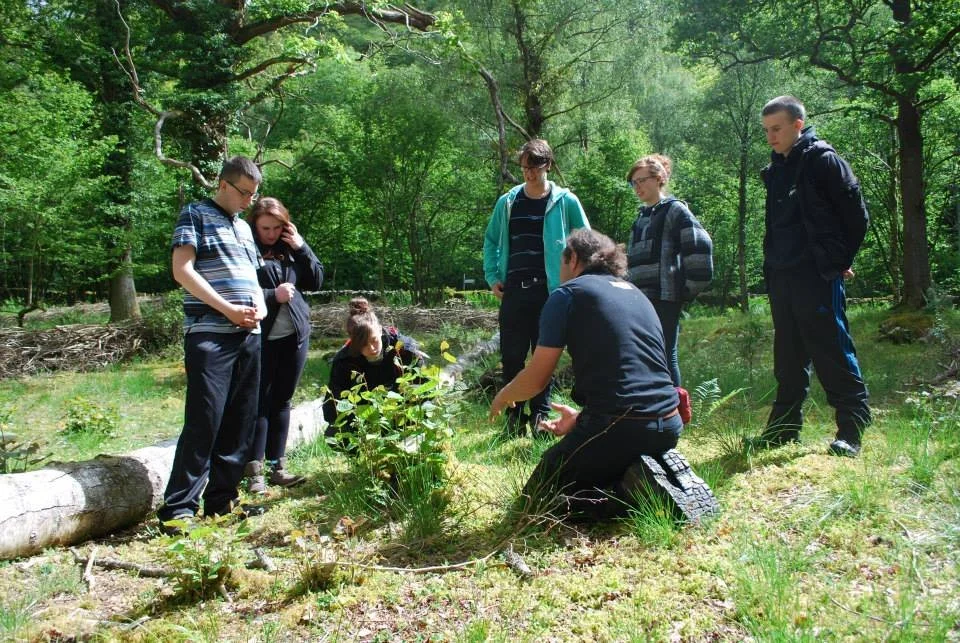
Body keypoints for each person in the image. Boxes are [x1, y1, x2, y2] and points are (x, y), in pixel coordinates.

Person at [490, 228, 681, 518]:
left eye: (561, 261)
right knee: (597, 463)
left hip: (619, 427)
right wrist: (581, 420)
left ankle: (632, 496)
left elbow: (536, 378)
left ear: (574, 258)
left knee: (535, 502)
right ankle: (638, 475)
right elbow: (639, 378)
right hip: (669, 424)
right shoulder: (637, 295)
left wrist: (504, 395)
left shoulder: (568, 294)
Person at [750, 95, 870, 457]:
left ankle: (851, 429)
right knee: (787, 356)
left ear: (798, 125)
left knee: (831, 349)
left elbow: (857, 217)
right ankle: (784, 429)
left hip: (816, 275)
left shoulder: (824, 160)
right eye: (767, 130)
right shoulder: (776, 169)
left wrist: (836, 260)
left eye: (777, 129)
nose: (771, 137)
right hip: (782, 275)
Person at [157, 156, 267, 530]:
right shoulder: (195, 214)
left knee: (240, 421)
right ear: (223, 185)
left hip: (249, 336)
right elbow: (181, 270)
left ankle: (222, 500)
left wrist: (260, 308)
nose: (249, 201)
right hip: (210, 333)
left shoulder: (244, 229)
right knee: (205, 418)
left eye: (254, 194)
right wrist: (228, 309)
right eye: (244, 193)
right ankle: (179, 508)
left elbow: (252, 277)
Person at [483, 138, 590, 438]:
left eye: (535, 167)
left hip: (551, 291)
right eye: (524, 167)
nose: (529, 173)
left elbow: (586, 242)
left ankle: (541, 419)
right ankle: (514, 419)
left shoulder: (566, 201)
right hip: (514, 289)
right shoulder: (507, 202)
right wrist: (493, 277)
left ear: (548, 165)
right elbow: (491, 242)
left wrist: (577, 283)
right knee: (513, 355)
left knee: (544, 355)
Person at [243, 197, 324, 493]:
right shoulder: (245, 246)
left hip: (295, 335)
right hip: (260, 335)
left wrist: (302, 246)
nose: (271, 233)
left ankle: (279, 466)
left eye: (277, 227)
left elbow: (316, 280)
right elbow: (238, 289)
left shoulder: (290, 247)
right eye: (266, 227)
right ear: (255, 224)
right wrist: (270, 295)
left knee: (282, 400)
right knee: (258, 402)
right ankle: (255, 472)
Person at [625, 154, 714, 386]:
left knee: (664, 356)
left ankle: (675, 415)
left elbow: (700, 246)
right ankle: (653, 414)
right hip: (640, 301)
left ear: (659, 179)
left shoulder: (675, 210)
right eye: (634, 183)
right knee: (644, 357)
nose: (638, 187)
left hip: (665, 299)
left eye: (642, 180)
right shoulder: (640, 218)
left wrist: (686, 290)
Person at [322, 298, 425, 445]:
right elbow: (331, 409)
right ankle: (367, 461)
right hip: (365, 420)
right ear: (353, 343)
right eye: (363, 345)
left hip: (402, 415)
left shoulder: (404, 350)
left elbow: (423, 389)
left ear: (380, 329)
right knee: (334, 434)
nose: (371, 348)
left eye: (374, 340)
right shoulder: (344, 361)